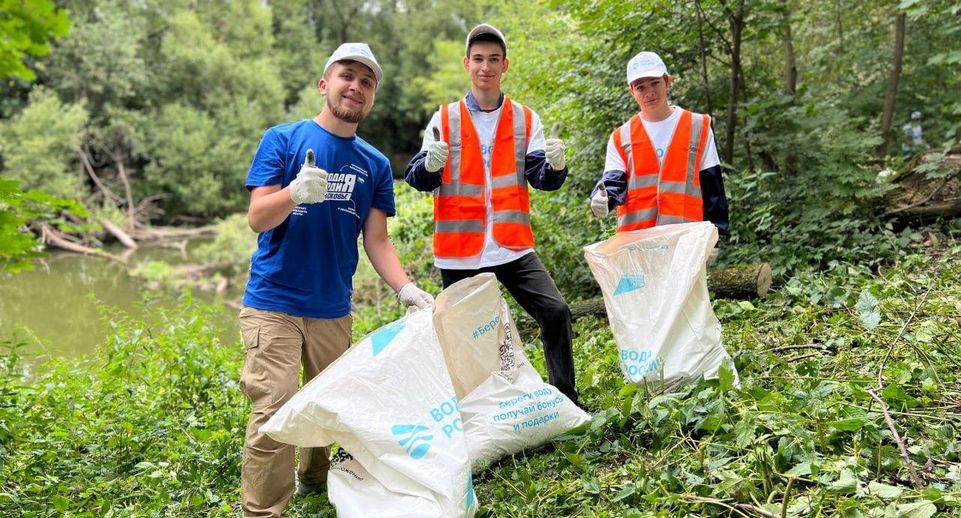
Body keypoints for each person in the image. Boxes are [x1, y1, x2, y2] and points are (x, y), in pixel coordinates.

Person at [238, 42, 434, 518]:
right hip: (274, 301)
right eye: (348, 76)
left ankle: (314, 478)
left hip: (332, 307)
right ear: (326, 84)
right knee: (274, 410)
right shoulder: (283, 139)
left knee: (327, 403)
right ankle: (262, 511)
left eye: (367, 82)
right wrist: (293, 191)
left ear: (371, 99)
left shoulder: (375, 164)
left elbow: (378, 241)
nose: (357, 87)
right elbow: (257, 218)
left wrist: (406, 290)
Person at [404, 24, 579, 405]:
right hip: (459, 248)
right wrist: (430, 166)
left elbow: (541, 179)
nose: (486, 66)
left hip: (511, 246)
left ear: (505, 65)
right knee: (465, 335)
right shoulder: (444, 118)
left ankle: (565, 396)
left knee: (555, 311)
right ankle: (473, 407)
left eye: (494, 59)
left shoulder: (525, 119)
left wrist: (557, 166)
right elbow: (416, 178)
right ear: (467, 64)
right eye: (479, 59)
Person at [589, 51, 729, 238]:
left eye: (655, 83)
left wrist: (715, 235)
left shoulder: (698, 127)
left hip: (687, 241)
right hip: (637, 245)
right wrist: (603, 200)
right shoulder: (621, 137)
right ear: (632, 91)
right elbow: (613, 182)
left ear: (667, 81)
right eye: (641, 87)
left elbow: (712, 186)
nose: (649, 93)